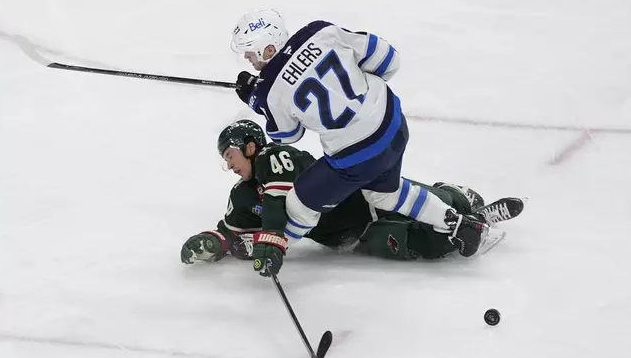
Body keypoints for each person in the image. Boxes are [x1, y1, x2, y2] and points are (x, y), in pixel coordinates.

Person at [229, 10, 487, 274]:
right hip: (393, 124)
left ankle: (272, 246)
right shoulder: (321, 32)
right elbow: (389, 59)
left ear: (269, 48)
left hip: (357, 156)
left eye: (250, 53)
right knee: (385, 194)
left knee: (300, 202)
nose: (248, 60)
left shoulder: (270, 91)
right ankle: (456, 223)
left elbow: (287, 136)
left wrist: (256, 100)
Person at [180, 120, 524, 273]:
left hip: (367, 197)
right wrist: (211, 242)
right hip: (351, 237)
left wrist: (270, 240)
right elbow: (232, 230)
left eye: (229, 156)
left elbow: (276, 202)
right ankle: (474, 224)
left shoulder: (276, 157)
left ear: (250, 147)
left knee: (441, 204)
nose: (228, 165)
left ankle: (461, 199)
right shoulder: (241, 196)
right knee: (427, 246)